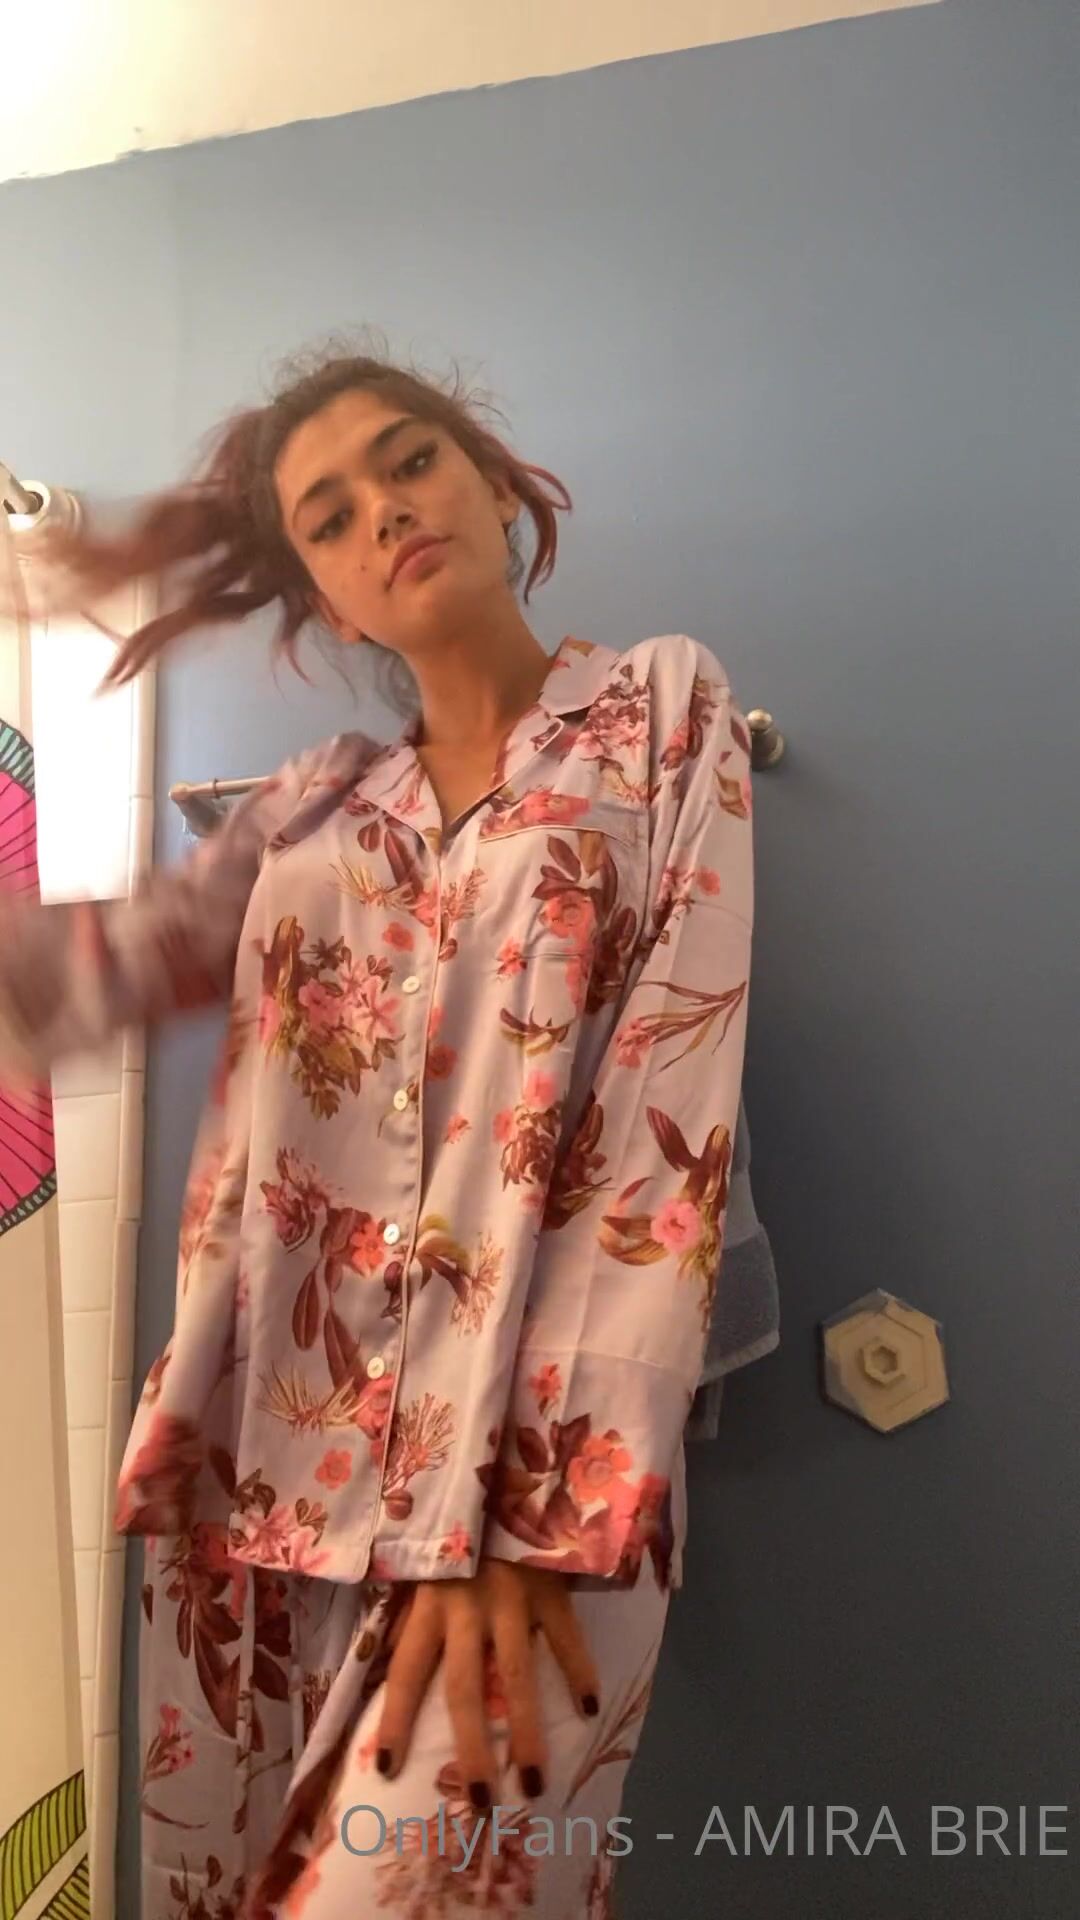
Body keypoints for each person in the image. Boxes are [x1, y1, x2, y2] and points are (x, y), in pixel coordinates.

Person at [0, 338, 754, 1918]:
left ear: (493, 481)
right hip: (264, 1480)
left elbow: (661, 1125)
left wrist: (528, 1527)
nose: (385, 513)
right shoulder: (312, 808)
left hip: (530, 1499)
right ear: (329, 603)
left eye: (409, 461)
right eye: (329, 516)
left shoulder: (659, 716)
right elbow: (79, 977)